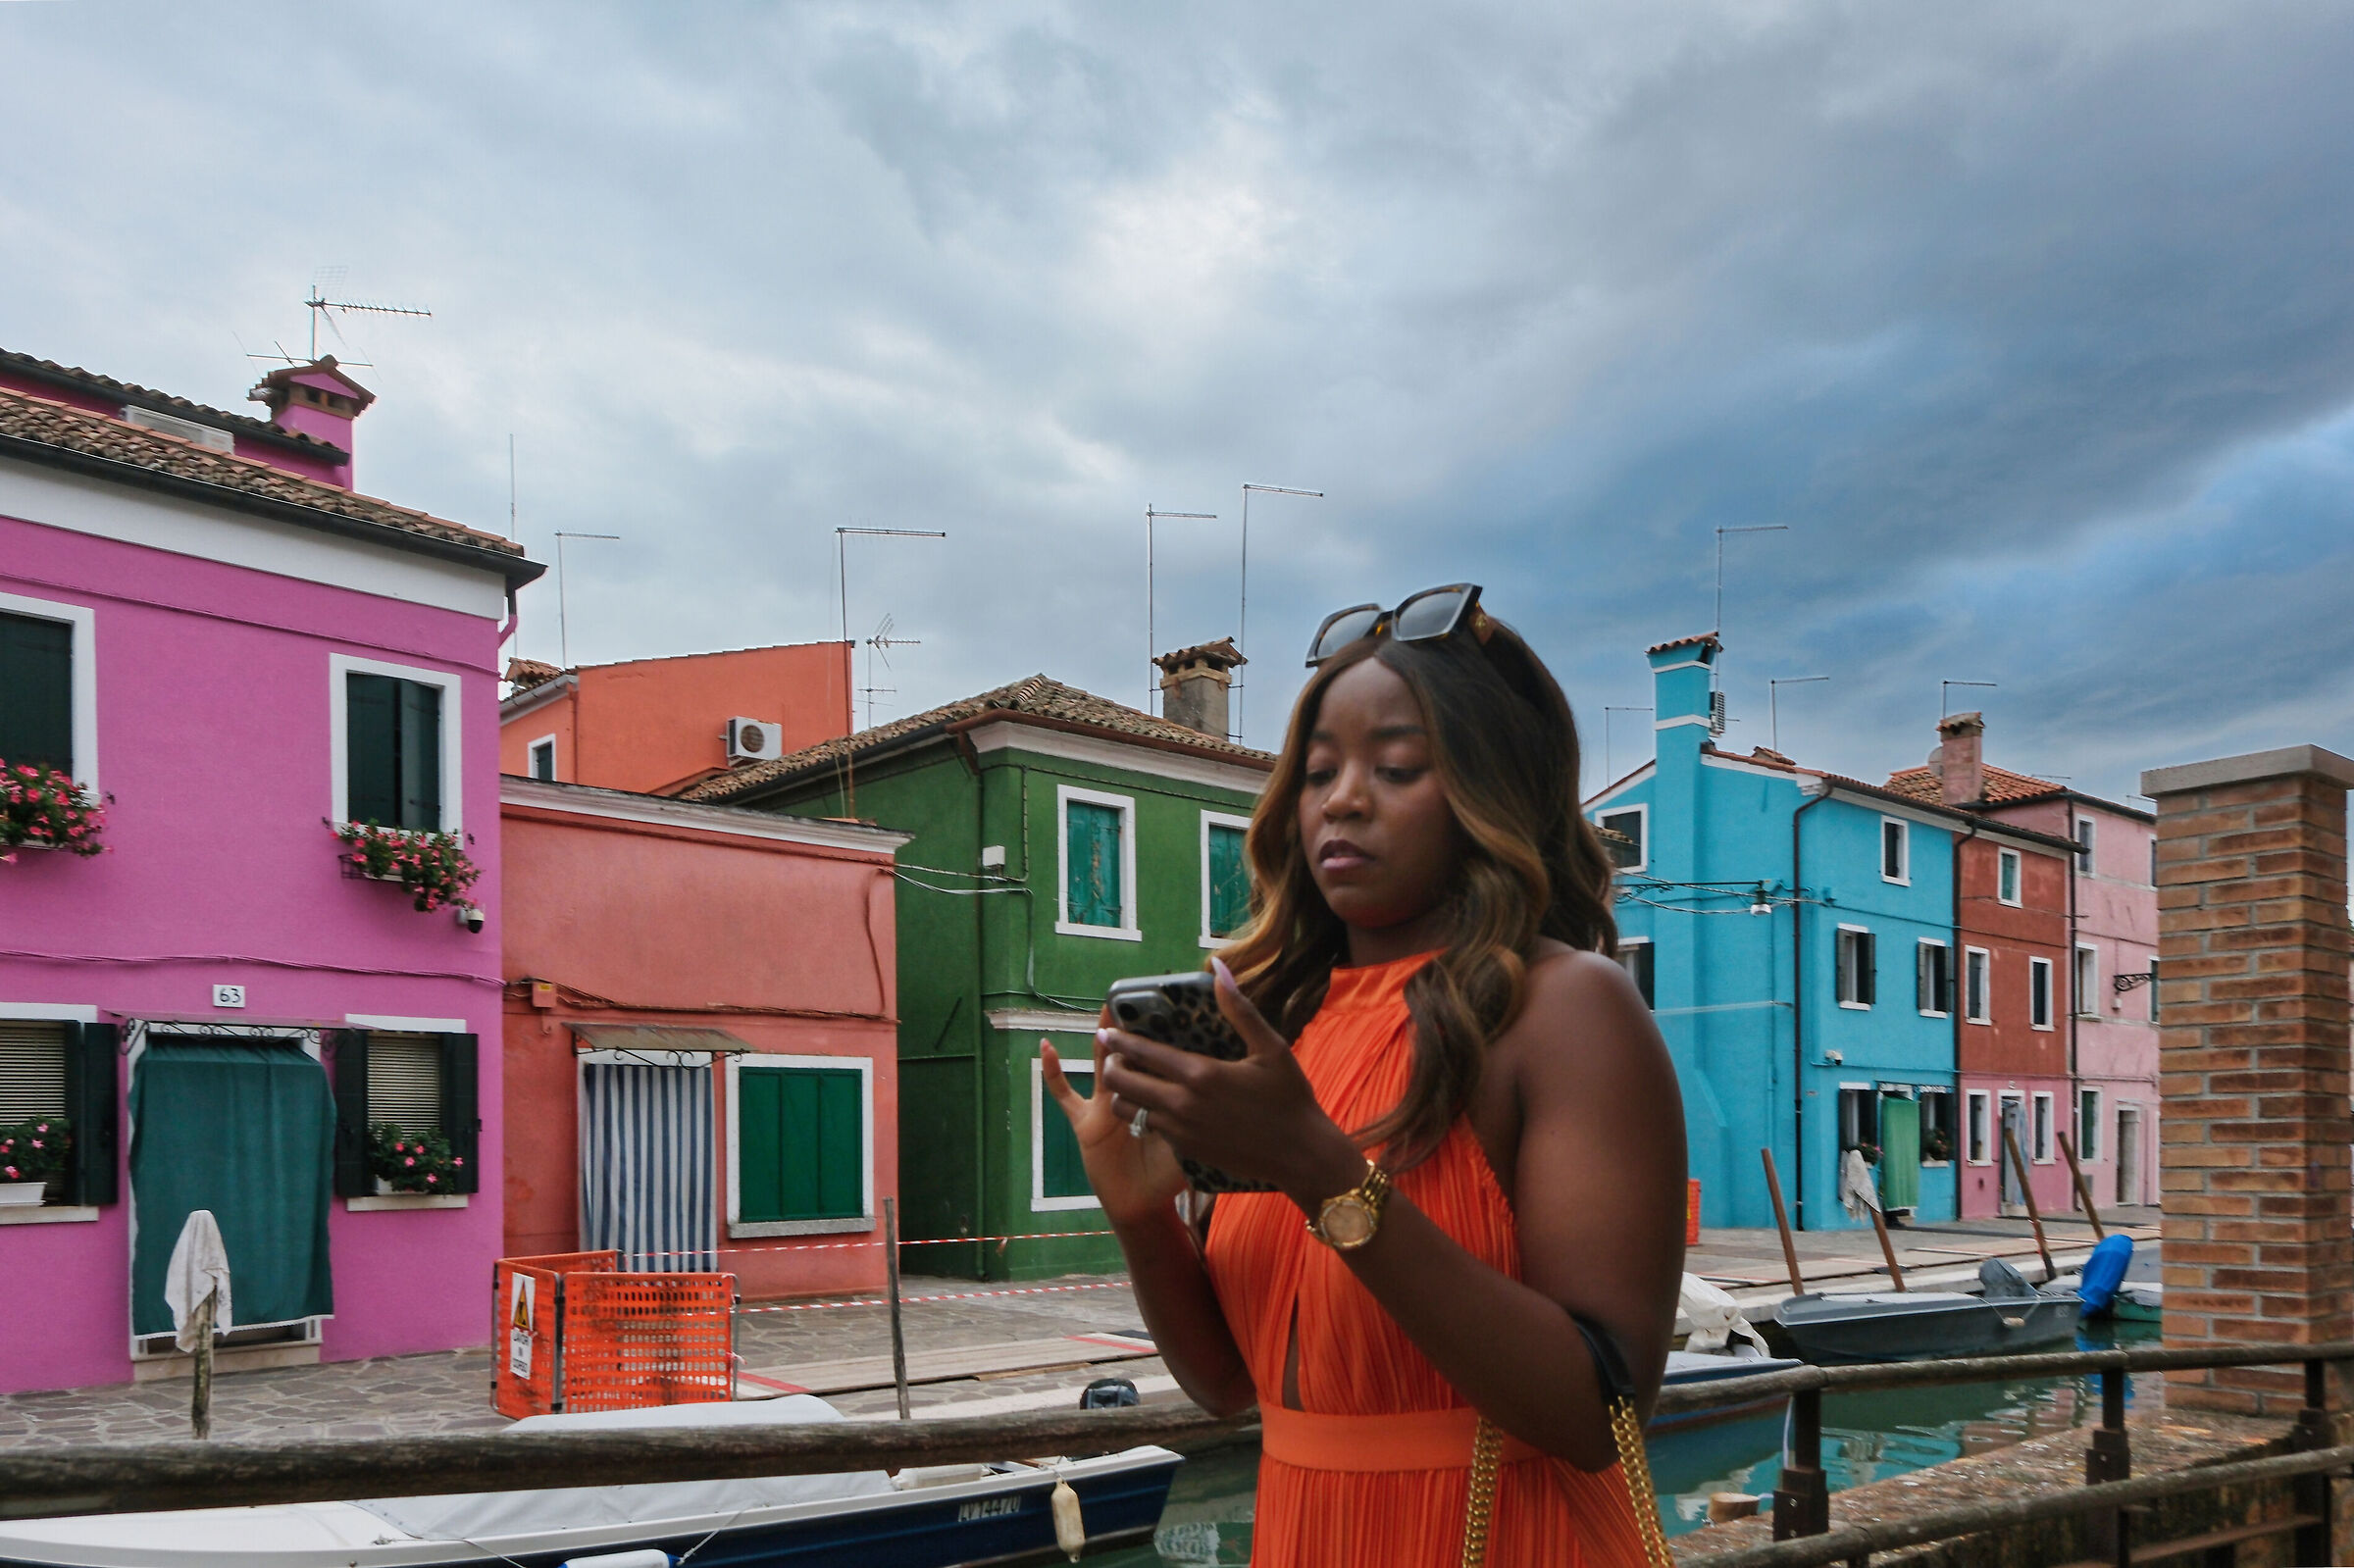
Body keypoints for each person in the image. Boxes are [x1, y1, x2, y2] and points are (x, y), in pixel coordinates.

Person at [1044, 584, 1686, 1567]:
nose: (1342, 798)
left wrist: (1319, 1170)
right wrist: (1140, 1218)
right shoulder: (1285, 1030)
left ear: (1487, 790)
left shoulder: (1568, 1010)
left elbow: (1600, 1412)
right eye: (1317, 772)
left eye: (1394, 768)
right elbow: (1235, 1388)